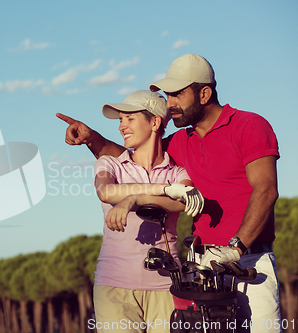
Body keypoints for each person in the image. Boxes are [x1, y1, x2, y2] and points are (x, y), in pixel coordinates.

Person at [57, 54, 281, 333]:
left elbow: (267, 189)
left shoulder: (249, 125)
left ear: (204, 93)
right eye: (167, 95)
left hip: (248, 261)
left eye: (177, 94)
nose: (170, 103)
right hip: (200, 267)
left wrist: (234, 249)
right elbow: (131, 155)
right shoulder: (179, 141)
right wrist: (91, 138)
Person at [91, 90, 203, 333]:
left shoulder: (178, 172)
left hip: (166, 287)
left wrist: (135, 198)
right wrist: (164, 190)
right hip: (114, 287)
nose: (121, 126)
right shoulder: (109, 164)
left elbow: (184, 202)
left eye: (129, 119)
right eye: (120, 120)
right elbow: (106, 192)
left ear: (154, 122)